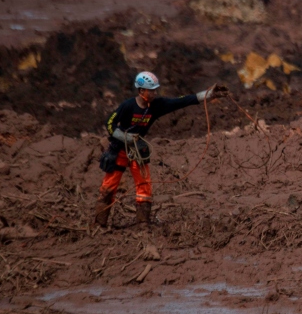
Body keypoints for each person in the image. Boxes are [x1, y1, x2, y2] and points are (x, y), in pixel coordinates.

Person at [94, 71, 227, 229]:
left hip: (137, 151)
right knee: (108, 188)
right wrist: (124, 137)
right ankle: (99, 223)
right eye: (151, 90)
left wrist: (209, 94)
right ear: (141, 91)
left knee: (144, 186)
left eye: (155, 90)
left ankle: (142, 223)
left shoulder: (157, 106)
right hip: (119, 151)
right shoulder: (127, 106)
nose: (154, 93)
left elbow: (182, 101)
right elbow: (110, 123)